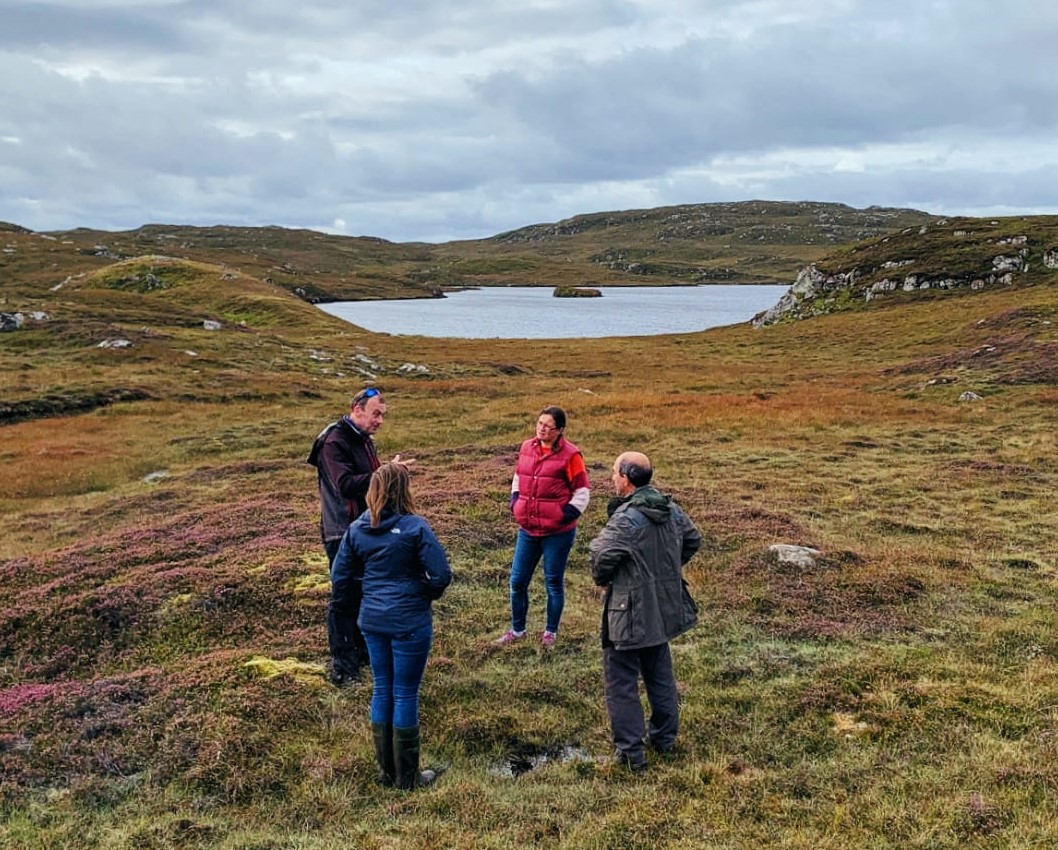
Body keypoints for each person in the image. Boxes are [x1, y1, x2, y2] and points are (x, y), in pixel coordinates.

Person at [331, 463, 452, 789]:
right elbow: (441, 575)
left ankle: (387, 772)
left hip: (372, 620)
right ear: (404, 490)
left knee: (382, 688)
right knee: (405, 693)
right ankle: (408, 777)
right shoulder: (415, 527)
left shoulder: (356, 530)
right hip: (409, 621)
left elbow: (340, 578)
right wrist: (420, 593)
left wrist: (366, 595)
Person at [589, 451, 701, 772]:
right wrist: (665, 570)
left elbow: (599, 556)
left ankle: (630, 755)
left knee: (620, 680)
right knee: (659, 671)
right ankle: (664, 740)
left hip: (629, 611)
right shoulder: (671, 509)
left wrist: (609, 579)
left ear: (625, 478)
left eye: (613, 472)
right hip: (663, 609)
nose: (611, 477)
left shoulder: (626, 519)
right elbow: (693, 540)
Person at [308, 387, 413, 685]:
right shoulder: (334, 441)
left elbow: (370, 482)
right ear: (357, 409)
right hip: (341, 531)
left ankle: (363, 652)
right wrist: (387, 473)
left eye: (383, 415)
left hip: (366, 528)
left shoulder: (362, 440)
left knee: (365, 592)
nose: (379, 420)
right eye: (375, 413)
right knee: (344, 597)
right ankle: (343, 665)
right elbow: (344, 485)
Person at [496, 405, 590, 648]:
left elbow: (582, 492)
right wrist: (516, 503)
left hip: (557, 533)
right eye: (539, 423)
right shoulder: (527, 447)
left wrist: (563, 516)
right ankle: (517, 630)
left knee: (553, 582)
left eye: (548, 426)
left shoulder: (571, 455)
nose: (542, 429)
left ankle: (550, 632)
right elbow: (519, 477)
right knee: (517, 581)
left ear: (559, 430)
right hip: (527, 528)